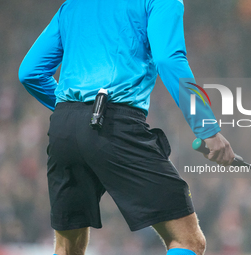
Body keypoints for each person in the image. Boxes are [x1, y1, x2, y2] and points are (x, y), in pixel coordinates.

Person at [18, 0, 235, 255]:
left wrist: (74, 111)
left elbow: (29, 72)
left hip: (64, 128)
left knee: (68, 247)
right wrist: (206, 127)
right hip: (113, 124)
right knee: (187, 239)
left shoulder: (73, 5)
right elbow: (168, 59)